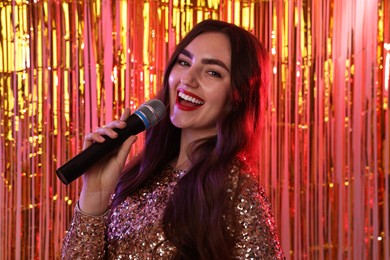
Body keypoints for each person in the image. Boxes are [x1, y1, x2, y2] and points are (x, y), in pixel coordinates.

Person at [61, 19, 284, 259]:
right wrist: (94, 197)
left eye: (212, 72)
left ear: (236, 98)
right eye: (184, 62)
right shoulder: (140, 176)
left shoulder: (238, 194)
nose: (187, 79)